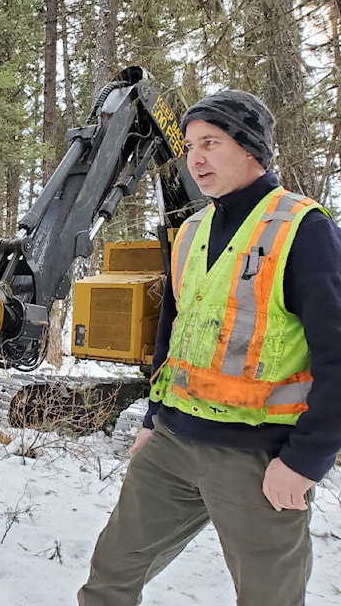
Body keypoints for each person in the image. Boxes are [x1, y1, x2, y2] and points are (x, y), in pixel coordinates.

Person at [78, 90, 341, 605]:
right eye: (191, 146)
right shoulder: (192, 230)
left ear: (252, 151)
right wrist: (153, 418)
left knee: (269, 596)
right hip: (172, 444)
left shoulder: (301, 230)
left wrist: (306, 461)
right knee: (111, 574)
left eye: (211, 144)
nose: (195, 158)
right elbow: (171, 337)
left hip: (256, 456)